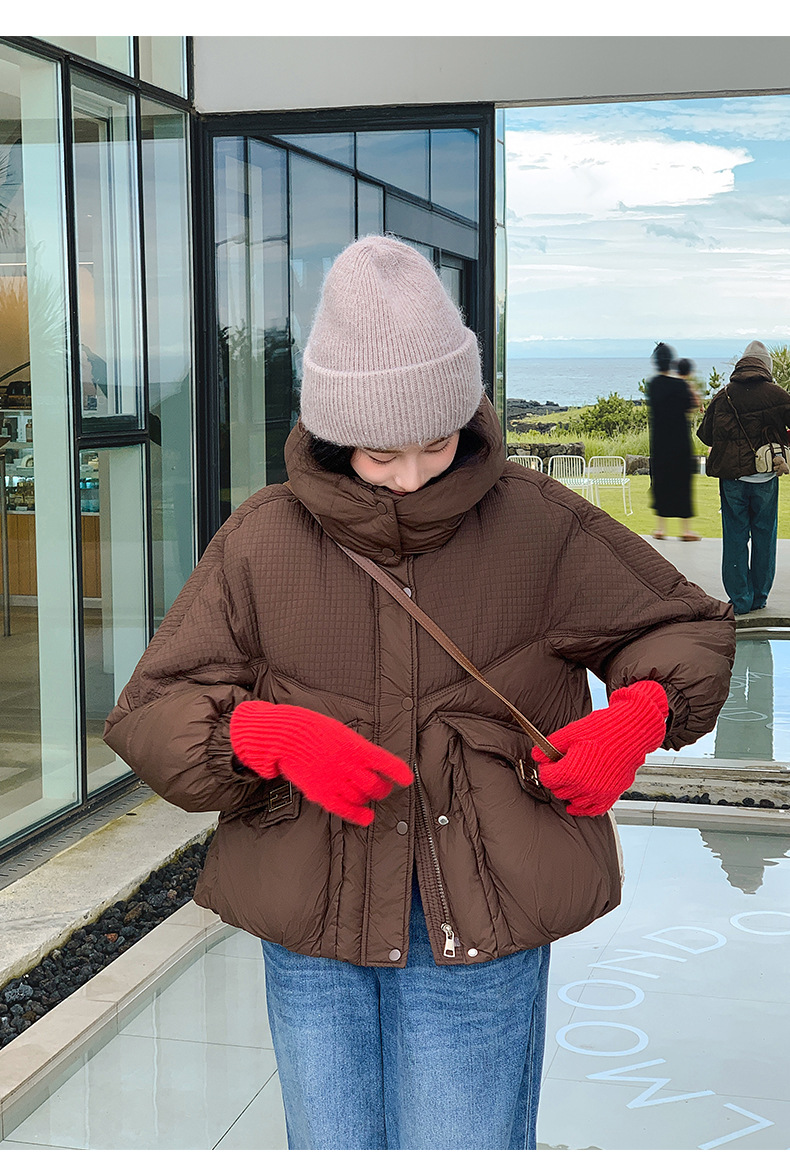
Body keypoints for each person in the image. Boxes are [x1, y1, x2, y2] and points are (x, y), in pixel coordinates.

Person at [103, 237, 735, 1150]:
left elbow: (686, 627)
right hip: (313, 915)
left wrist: (637, 715)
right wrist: (259, 734)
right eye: (380, 454)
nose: (411, 477)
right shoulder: (262, 539)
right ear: (332, 434)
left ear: (466, 416)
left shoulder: (537, 522)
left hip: (482, 910)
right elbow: (150, 709)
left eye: (436, 444)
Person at [698, 339, 790, 616]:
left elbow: (705, 436)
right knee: (765, 537)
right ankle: (760, 597)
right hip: (765, 478)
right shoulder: (777, 395)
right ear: (766, 367)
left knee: (735, 538)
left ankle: (740, 600)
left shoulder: (724, 395)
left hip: (732, 480)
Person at [647, 342, 702, 541]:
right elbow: (692, 405)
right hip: (680, 442)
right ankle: (686, 530)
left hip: (659, 442)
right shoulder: (680, 385)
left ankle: (660, 528)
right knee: (683, 482)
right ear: (671, 361)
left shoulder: (653, 385)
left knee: (661, 481)